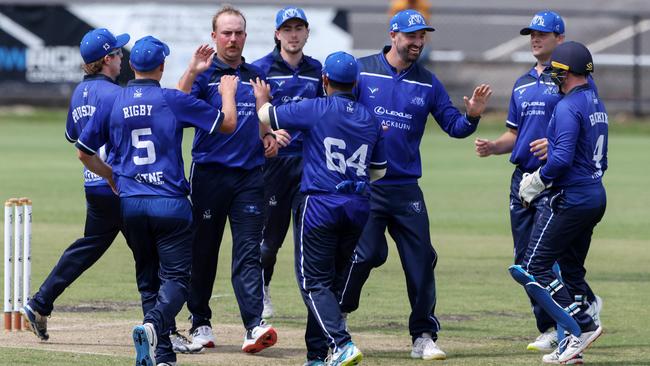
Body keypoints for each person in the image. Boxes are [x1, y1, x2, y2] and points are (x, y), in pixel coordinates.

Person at [337, 9, 492, 360]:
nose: (417, 42)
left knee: (421, 260)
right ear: (394, 35)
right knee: (364, 256)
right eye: (411, 36)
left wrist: (473, 114)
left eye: (422, 36)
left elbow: (455, 127)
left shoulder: (428, 82)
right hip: (365, 184)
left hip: (405, 188)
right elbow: (336, 112)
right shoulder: (361, 71)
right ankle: (338, 318)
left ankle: (423, 335)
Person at [75, 35, 238, 366]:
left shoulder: (113, 102)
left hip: (131, 204)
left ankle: (162, 357)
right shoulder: (171, 99)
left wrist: (110, 176)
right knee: (178, 280)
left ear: (132, 65)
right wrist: (228, 94)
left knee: (149, 282)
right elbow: (228, 124)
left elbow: (83, 152)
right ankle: (153, 325)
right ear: (162, 67)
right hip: (170, 204)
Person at [474, 11, 602, 357]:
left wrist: (555, 153)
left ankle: (575, 324)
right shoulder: (523, 83)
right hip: (528, 178)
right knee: (527, 257)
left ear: (561, 39)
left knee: (541, 261)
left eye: (543, 33)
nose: (535, 38)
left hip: (557, 181)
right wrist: (493, 147)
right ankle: (552, 325)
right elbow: (515, 134)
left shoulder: (572, 83)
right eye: (532, 33)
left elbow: (575, 137)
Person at [252, 51, 387, 366]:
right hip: (357, 205)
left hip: (321, 202)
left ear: (325, 80)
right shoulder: (370, 117)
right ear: (355, 83)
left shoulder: (317, 108)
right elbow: (378, 171)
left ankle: (341, 344)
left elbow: (267, 117)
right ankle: (317, 354)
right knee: (331, 281)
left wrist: (262, 98)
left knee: (312, 280)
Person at [176, 5, 279, 352]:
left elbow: (263, 122)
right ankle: (200, 321)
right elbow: (178, 105)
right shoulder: (204, 75)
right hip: (209, 174)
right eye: (226, 33)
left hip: (250, 177)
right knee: (204, 251)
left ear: (245, 37)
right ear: (214, 36)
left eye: (238, 33)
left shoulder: (257, 75)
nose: (232, 39)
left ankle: (253, 325)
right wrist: (192, 70)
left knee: (249, 252)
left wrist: (269, 137)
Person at [21, 28, 129, 341]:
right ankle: (164, 326)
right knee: (154, 251)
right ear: (107, 59)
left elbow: (73, 135)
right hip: (118, 182)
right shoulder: (115, 93)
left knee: (90, 245)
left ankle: (40, 302)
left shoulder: (80, 92)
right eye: (119, 53)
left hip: (92, 185)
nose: (123, 58)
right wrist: (112, 174)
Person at [513, 41, 606, 364]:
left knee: (535, 266)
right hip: (595, 194)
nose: (553, 75)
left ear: (566, 73)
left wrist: (535, 181)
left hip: (572, 197)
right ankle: (574, 345)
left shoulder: (568, 106)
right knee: (570, 269)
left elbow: (562, 159)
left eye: (557, 70)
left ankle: (582, 324)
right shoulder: (595, 101)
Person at [251, 6, 324, 319]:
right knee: (269, 241)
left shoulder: (317, 69)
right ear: (277, 34)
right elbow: (249, 115)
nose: (294, 35)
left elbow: (324, 111)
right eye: (288, 29)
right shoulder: (261, 69)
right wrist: (267, 131)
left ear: (306, 32)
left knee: (310, 239)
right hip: (275, 164)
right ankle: (262, 290)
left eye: (299, 29)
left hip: (310, 163)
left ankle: (316, 300)